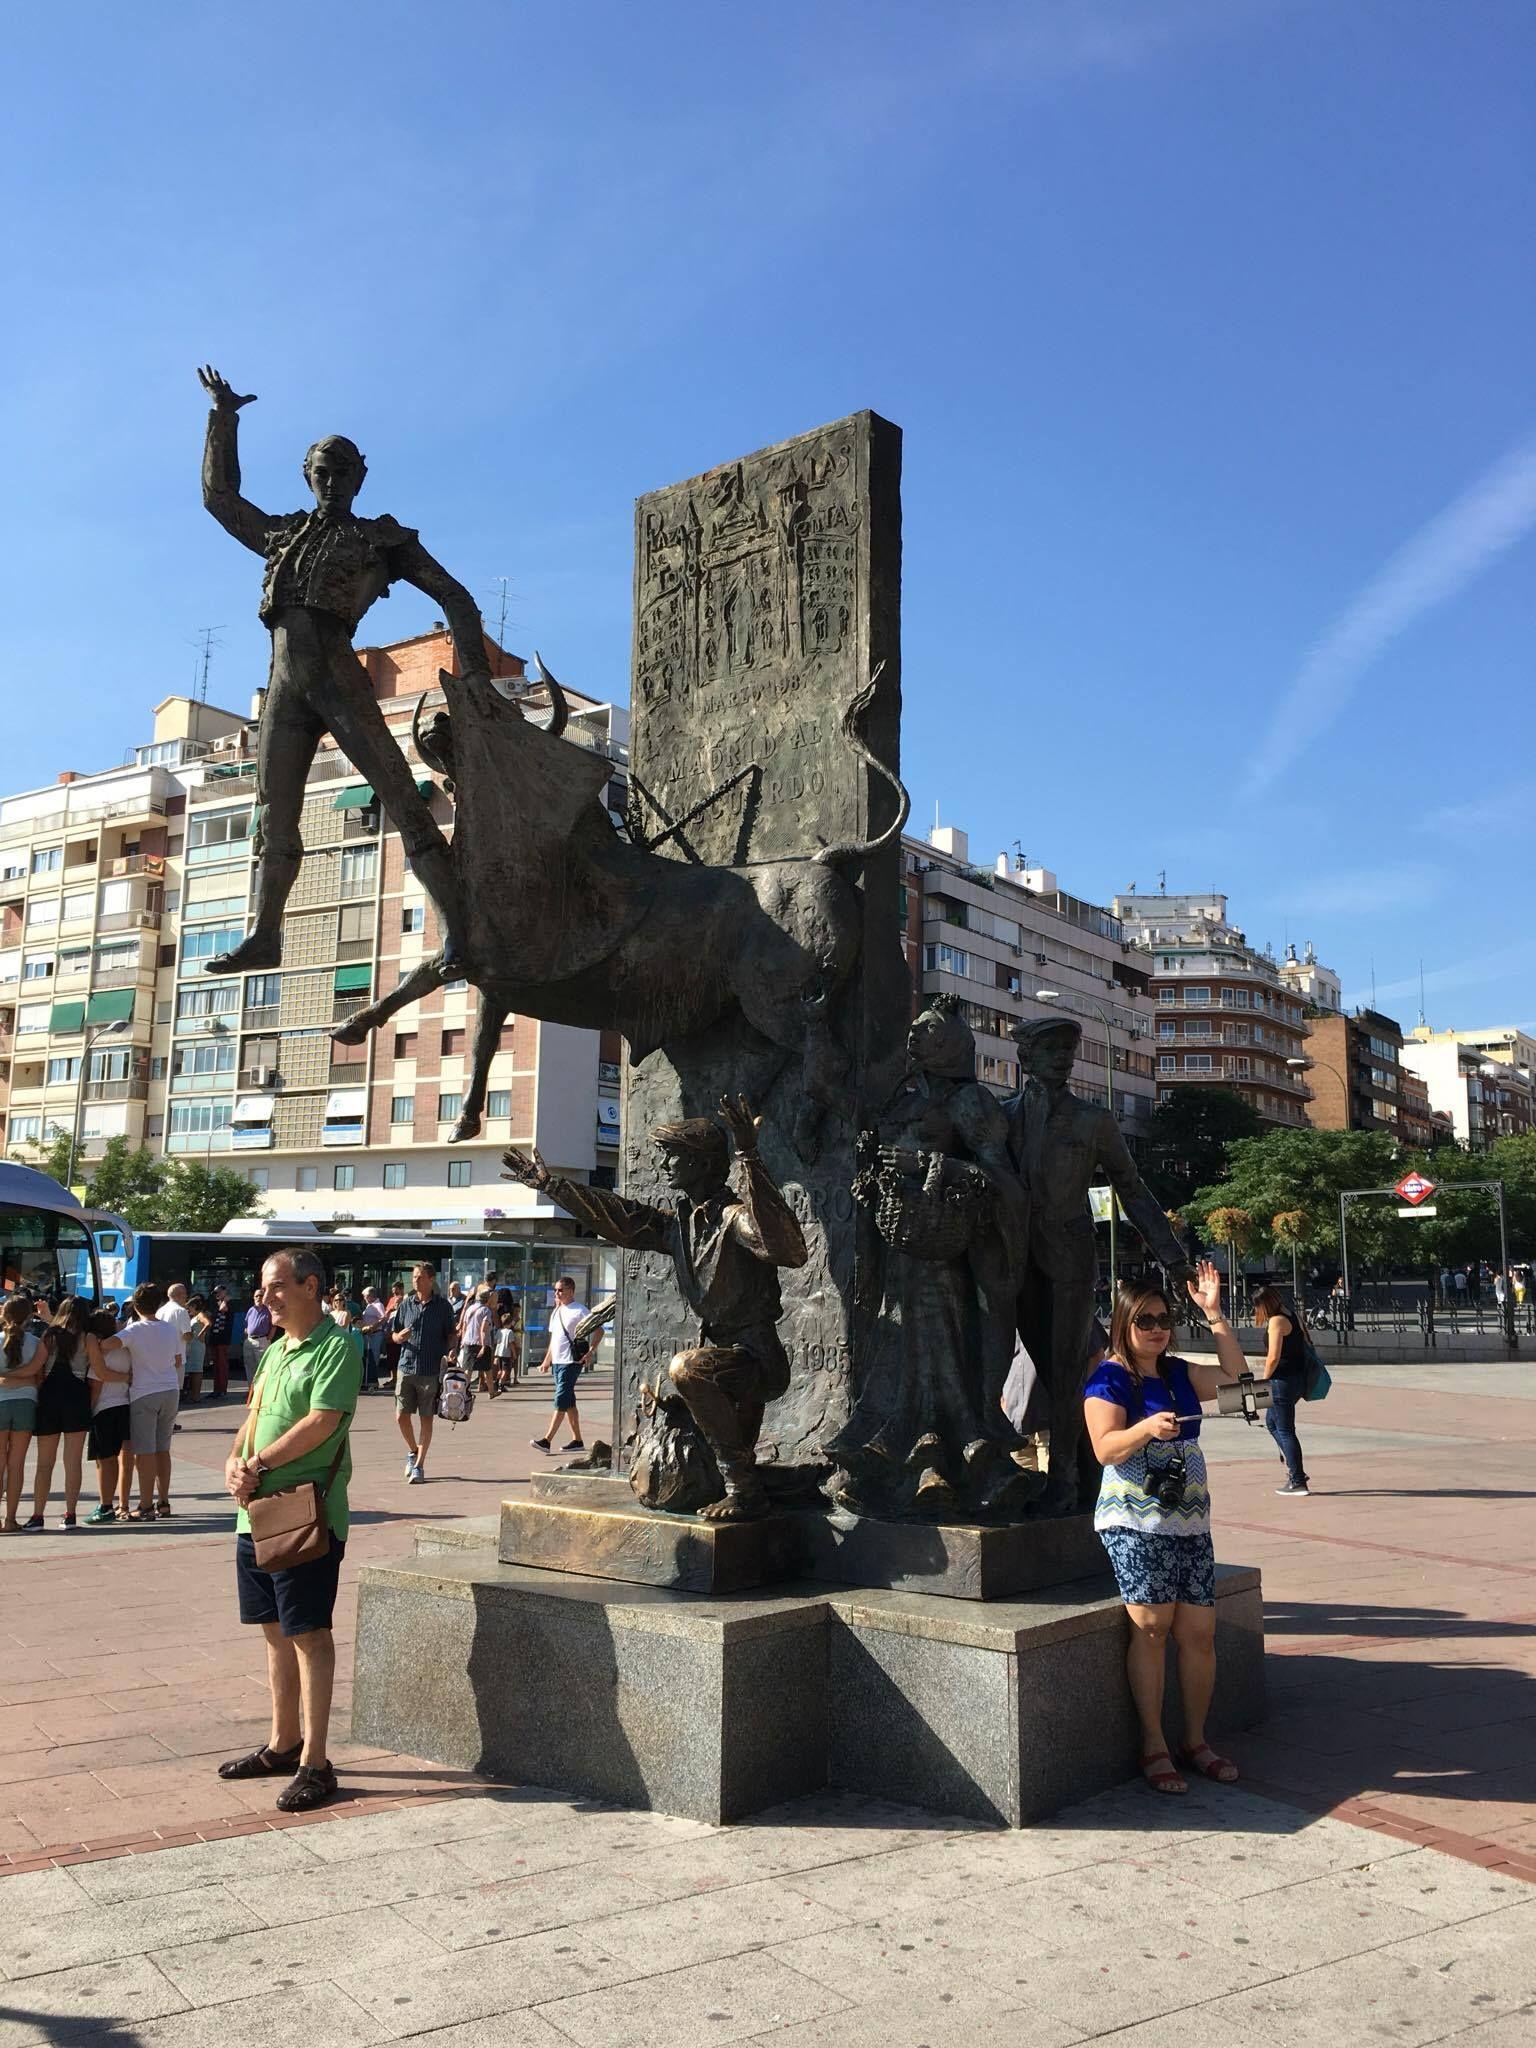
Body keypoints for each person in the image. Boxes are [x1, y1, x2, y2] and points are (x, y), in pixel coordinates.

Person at [1005, 1016, 1192, 1516]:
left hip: (1069, 1256)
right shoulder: (1002, 1117)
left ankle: (1065, 1482)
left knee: (1067, 1369)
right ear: (1025, 1058)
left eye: (1068, 1050)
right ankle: (1085, 1471)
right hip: (1014, 1261)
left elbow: (1133, 1191)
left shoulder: (1094, 1121)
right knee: (1040, 1366)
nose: (1062, 1058)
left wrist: (1172, 1257)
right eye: (1050, 1049)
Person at [1082, 1262, 1247, 1795]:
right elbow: (1105, 1449)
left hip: (1189, 1520)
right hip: (1136, 1521)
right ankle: (1154, 1743)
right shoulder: (1109, 1377)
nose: (1157, 1328)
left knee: (1199, 1632)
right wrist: (1145, 1428)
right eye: (1145, 1320)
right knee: (1152, 1628)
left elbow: (1239, 1382)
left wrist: (1215, 1315)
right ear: (1124, 1326)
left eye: (1164, 1319)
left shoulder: (1177, 1372)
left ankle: (1195, 1741)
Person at [220, 1246, 360, 1813]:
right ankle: (283, 1744)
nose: (265, 1296)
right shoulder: (276, 1350)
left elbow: (322, 1421)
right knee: (272, 1629)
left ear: (310, 1287)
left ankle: (317, 1763)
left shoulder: (338, 1347)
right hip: (255, 1512)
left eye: (276, 1286)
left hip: (304, 1515)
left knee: (308, 1633)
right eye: (262, 1286)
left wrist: (260, 1465)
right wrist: (235, 1462)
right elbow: (252, 1418)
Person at [100, 1284, 184, 1521]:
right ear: (158, 1304)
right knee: (163, 1448)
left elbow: (106, 1345)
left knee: (144, 1452)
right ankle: (163, 1501)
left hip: (144, 1392)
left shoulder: (134, 1330)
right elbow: (178, 1360)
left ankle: (145, 1505)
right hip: (170, 1389)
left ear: (135, 1306)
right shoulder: (169, 1329)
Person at [23, 1297, 94, 1530]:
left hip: (50, 1398)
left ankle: (37, 1516)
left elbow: (36, 1368)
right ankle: (70, 1514)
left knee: (45, 1463)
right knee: (73, 1461)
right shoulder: (88, 1338)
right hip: (77, 1398)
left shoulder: (50, 1335)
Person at [387, 1262, 455, 1484]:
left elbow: (451, 1335)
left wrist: (452, 1351)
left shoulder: (443, 1306)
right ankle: (413, 1450)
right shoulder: (406, 1304)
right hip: (406, 1366)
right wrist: (398, 1338)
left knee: (426, 1418)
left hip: (430, 1369)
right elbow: (394, 1333)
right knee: (400, 1415)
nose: (415, 1281)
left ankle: (419, 1466)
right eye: (414, 1277)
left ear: (431, 1279)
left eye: (419, 1277)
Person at [1251, 1286, 1310, 1497]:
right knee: (1272, 1423)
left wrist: (1263, 1381)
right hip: (1296, 1379)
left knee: (1285, 1429)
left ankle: (1298, 1479)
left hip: (1281, 1381)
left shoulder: (1276, 1321)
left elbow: (1273, 1357)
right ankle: (1295, 1470)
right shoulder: (1291, 1314)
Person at [0, 1296, 49, 1531]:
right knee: (17, 1464)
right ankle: (10, 1519)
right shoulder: (37, 1342)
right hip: (26, 1403)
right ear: (29, 1316)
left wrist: (5, 1378)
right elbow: (36, 1374)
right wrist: (24, 1377)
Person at [86, 1308, 134, 1522]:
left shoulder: (100, 1354)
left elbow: (96, 1387)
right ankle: (118, 1503)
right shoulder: (124, 1351)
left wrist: (88, 1414)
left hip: (103, 1409)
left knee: (104, 1460)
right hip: (125, 1405)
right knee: (117, 1459)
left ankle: (105, 1505)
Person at [533, 1275, 588, 1457]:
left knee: (561, 1400)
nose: (557, 1293)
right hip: (558, 1362)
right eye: (555, 1289)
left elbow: (599, 1330)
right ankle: (577, 1440)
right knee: (569, 1401)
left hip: (571, 1362)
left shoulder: (580, 1311)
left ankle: (546, 1440)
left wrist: (591, 1351)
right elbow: (554, 1339)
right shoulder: (556, 1312)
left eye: (560, 1290)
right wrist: (547, 1360)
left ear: (571, 1291)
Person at [460, 1284, 494, 1397]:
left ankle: (463, 1392)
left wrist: (463, 1340)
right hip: (481, 1343)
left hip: (468, 1341)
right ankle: (491, 1392)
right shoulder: (486, 1311)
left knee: (467, 1369)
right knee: (487, 1369)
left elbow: (464, 1326)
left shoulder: (470, 1309)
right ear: (487, 1299)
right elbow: (484, 1329)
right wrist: (484, 1346)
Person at [205, 1287, 234, 1400]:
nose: (216, 1294)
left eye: (218, 1292)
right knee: (216, 1366)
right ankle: (216, 1389)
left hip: (223, 1339)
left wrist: (225, 1300)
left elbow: (223, 1309)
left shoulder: (228, 1304)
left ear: (225, 1292)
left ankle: (222, 1390)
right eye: (215, 1293)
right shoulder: (216, 1304)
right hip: (214, 1339)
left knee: (222, 1365)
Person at [357, 1287, 387, 1392]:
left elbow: (383, 1318)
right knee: (368, 1358)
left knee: (374, 1358)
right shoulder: (369, 1306)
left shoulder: (378, 1305)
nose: (364, 1298)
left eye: (365, 1296)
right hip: (368, 1335)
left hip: (375, 1334)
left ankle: (373, 1382)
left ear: (371, 1296)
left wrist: (372, 1327)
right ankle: (368, 1381)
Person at [243, 1287, 274, 1387]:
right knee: (249, 1368)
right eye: (256, 1296)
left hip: (262, 1340)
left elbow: (274, 1326)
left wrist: (268, 1338)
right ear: (253, 1297)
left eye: (261, 1295)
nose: (258, 1298)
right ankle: (251, 1392)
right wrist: (247, 1337)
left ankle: (262, 1392)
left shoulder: (269, 1310)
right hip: (249, 1341)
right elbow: (246, 1326)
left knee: (262, 1368)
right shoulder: (251, 1310)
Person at [493, 1298, 521, 1392]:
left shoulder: (499, 1331)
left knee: (500, 1369)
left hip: (499, 1352)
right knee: (506, 1370)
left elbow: (496, 1341)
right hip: (506, 1353)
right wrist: (514, 1353)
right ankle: (501, 1384)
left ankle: (496, 1382)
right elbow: (511, 1344)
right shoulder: (509, 1332)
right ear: (510, 1323)